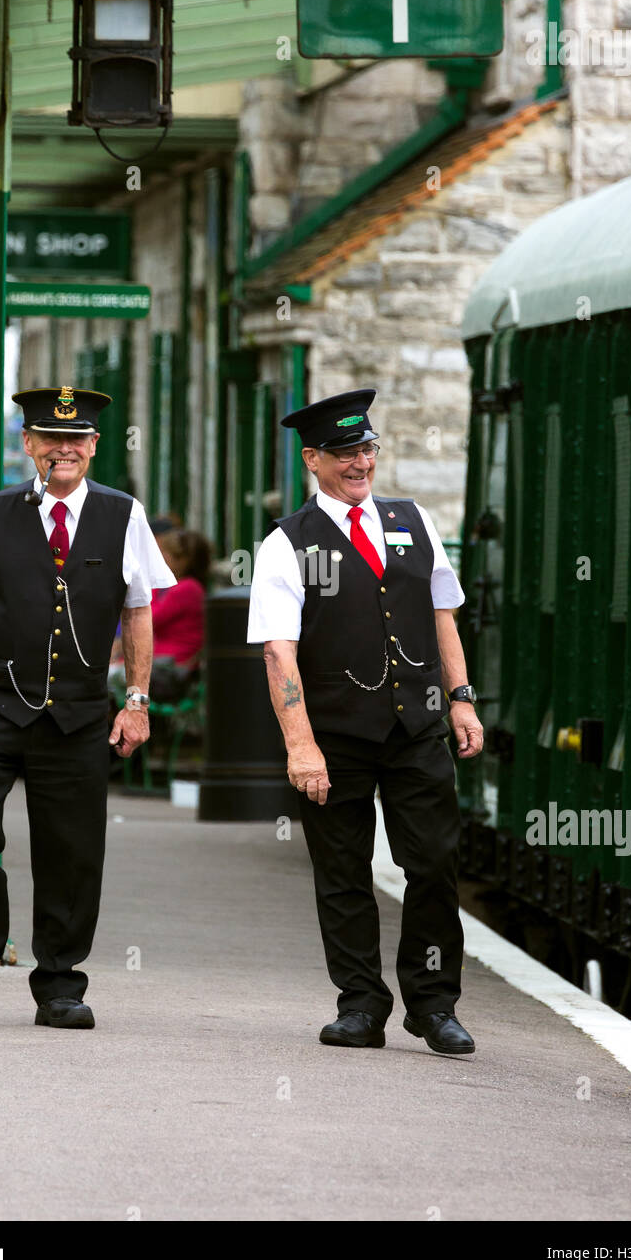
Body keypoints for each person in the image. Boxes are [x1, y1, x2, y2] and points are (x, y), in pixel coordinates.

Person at [0, 385, 175, 1030]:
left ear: (92, 447)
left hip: (81, 711)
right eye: (49, 439)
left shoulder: (125, 515)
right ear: (29, 445)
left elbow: (138, 610)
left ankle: (60, 984)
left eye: (77, 440)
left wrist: (137, 701)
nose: (63, 450)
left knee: (72, 847)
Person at [247, 389, 483, 1055]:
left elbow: (443, 616)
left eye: (368, 450)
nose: (360, 464)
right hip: (335, 738)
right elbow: (278, 650)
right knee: (344, 872)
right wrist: (301, 747)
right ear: (313, 460)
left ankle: (433, 1005)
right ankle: (360, 1005)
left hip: (417, 728)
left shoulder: (414, 521)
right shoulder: (286, 543)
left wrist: (461, 697)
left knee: (434, 863)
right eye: (345, 453)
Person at [149, 528, 210, 701]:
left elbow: (149, 619)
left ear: (182, 560)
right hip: (166, 660)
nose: (160, 558)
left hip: (174, 665)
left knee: (111, 678)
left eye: (165, 554)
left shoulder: (187, 589)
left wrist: (152, 582)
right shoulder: (186, 587)